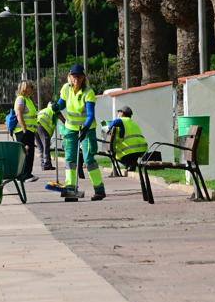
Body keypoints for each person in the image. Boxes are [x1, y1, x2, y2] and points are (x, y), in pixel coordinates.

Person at [54, 64, 104, 201]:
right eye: (74, 76)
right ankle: (71, 189)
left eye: (79, 76)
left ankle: (99, 189)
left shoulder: (89, 93)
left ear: (83, 78)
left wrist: (86, 128)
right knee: (70, 158)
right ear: (70, 77)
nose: (76, 79)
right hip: (71, 128)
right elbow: (61, 104)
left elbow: (90, 115)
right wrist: (55, 106)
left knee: (88, 159)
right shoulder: (66, 88)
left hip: (87, 129)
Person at [103, 106, 149, 172]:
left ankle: (131, 165)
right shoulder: (133, 122)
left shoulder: (121, 120)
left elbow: (114, 122)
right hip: (142, 148)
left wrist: (108, 128)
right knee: (132, 160)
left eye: (119, 112)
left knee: (116, 156)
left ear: (122, 113)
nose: (118, 114)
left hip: (130, 149)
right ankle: (131, 166)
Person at [13, 81, 39, 183]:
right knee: (26, 153)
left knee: (30, 153)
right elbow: (19, 113)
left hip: (30, 130)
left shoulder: (28, 99)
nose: (32, 89)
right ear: (24, 88)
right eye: (30, 87)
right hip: (23, 131)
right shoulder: (20, 99)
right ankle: (23, 175)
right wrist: (24, 129)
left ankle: (27, 174)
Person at [35, 101, 60, 171]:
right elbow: (63, 120)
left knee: (40, 148)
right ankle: (47, 164)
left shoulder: (44, 110)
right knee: (46, 147)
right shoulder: (54, 110)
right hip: (43, 128)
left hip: (35, 127)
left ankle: (43, 165)